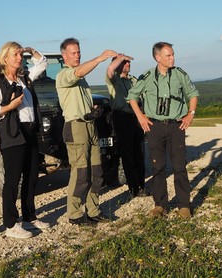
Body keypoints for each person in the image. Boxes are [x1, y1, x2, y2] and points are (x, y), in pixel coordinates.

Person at [126, 42, 199, 220]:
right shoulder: (147, 76)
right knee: (158, 167)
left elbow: (193, 94)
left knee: (179, 166)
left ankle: (184, 206)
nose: (173, 58)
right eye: (169, 55)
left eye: (173, 54)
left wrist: (191, 114)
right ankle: (160, 205)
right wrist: (140, 116)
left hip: (176, 125)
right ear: (158, 57)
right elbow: (132, 97)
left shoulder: (180, 74)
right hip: (155, 126)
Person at [0, 41, 50, 239]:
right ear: (5, 59)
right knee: (12, 180)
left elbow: (42, 63)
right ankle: (11, 224)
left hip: (30, 131)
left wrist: (30, 51)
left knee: (32, 176)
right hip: (12, 134)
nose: (19, 58)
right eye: (15, 55)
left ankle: (29, 218)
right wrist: (11, 105)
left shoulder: (25, 79)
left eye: (20, 55)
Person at [56, 37, 118, 225]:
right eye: (73, 53)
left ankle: (93, 210)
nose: (77, 55)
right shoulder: (64, 75)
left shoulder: (82, 81)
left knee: (97, 171)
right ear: (64, 55)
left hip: (89, 125)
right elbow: (78, 72)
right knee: (81, 172)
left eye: (79, 52)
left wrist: (93, 111)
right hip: (76, 127)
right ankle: (74, 214)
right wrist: (99, 58)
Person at [106, 54, 150, 199]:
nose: (128, 64)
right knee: (128, 154)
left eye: (127, 62)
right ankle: (134, 188)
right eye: (124, 62)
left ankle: (141, 186)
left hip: (136, 117)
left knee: (140, 153)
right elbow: (110, 70)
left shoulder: (134, 80)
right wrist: (118, 57)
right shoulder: (114, 79)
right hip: (122, 117)